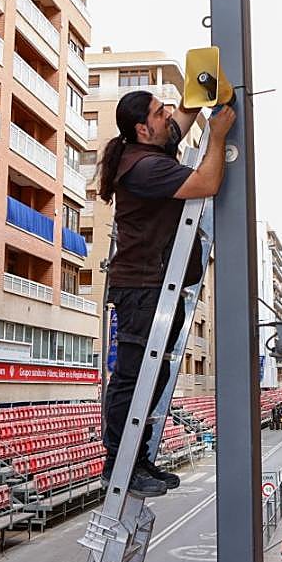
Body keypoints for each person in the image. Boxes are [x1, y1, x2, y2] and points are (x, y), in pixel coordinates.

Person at [97, 89, 236, 498]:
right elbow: (207, 181)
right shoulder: (144, 167)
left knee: (151, 375)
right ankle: (119, 464)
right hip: (141, 289)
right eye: (160, 113)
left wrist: (202, 87)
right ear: (143, 128)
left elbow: (182, 120)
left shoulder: (148, 146)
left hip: (152, 283)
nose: (169, 115)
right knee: (132, 377)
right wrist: (217, 136)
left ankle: (136, 460)